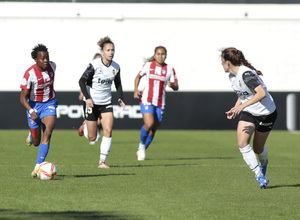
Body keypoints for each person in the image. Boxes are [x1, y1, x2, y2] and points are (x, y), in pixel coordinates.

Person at [220, 47, 277, 189]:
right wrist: (236, 108)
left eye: (222, 61)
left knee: (258, 149)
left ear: (228, 62)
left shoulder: (246, 74)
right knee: (242, 143)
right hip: (249, 112)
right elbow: (243, 95)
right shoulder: (232, 76)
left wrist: (242, 106)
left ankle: (263, 163)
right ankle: (259, 176)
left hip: (266, 113)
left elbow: (261, 93)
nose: (221, 64)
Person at [78, 36, 125, 168]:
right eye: (108, 50)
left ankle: (102, 162)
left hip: (106, 103)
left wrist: (120, 97)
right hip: (91, 102)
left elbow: (118, 83)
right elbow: (81, 81)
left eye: (113, 50)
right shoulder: (94, 65)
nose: (111, 52)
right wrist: (87, 98)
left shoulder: (116, 67)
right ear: (102, 52)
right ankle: (85, 126)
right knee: (92, 138)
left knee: (108, 131)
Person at [134, 46, 179, 161]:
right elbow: (138, 77)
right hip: (146, 99)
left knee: (153, 128)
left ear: (166, 55)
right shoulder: (148, 66)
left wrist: (172, 85)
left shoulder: (169, 69)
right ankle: (141, 146)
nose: (160, 56)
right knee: (149, 123)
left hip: (160, 102)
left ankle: (142, 149)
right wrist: (135, 89)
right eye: (158, 54)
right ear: (154, 55)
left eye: (163, 54)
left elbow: (176, 86)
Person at [20, 44, 57, 177]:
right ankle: (31, 134)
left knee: (48, 131)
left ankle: (37, 167)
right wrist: (31, 111)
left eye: (47, 57)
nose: (46, 60)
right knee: (36, 143)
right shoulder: (29, 74)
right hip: (34, 106)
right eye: (43, 58)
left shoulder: (53, 66)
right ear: (36, 59)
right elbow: (22, 97)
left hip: (49, 103)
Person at [78, 53, 102, 145]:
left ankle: (95, 133)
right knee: (96, 120)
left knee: (100, 120)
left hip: (101, 99)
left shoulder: (104, 70)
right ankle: (86, 128)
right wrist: (82, 93)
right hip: (90, 98)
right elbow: (83, 81)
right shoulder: (91, 69)